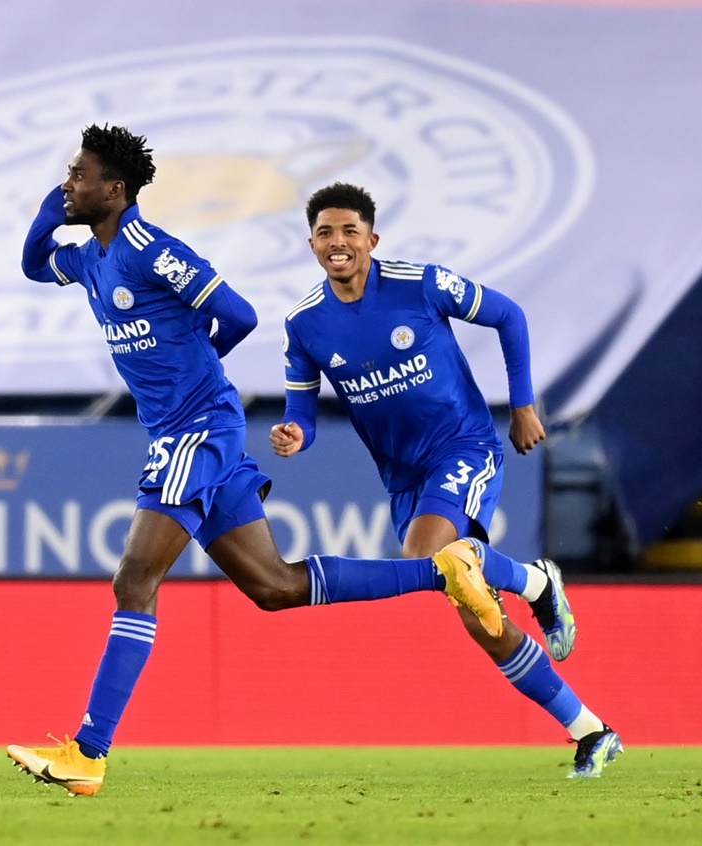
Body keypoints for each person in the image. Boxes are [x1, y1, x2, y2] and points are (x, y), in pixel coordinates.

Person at [8, 125, 507, 796]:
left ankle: (88, 752)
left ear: (115, 190)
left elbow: (237, 314)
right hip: (177, 433)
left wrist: (198, 368)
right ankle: (442, 570)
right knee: (274, 588)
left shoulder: (151, 251)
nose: (70, 181)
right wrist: (50, 211)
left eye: (79, 174)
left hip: (199, 430)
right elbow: (36, 265)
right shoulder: (93, 259)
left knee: (134, 579)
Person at [270, 182, 623, 778]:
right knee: (474, 613)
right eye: (326, 233)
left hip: (464, 445)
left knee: (428, 554)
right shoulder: (305, 325)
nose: (338, 242)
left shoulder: (420, 283)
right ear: (310, 244)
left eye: (350, 231)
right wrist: (293, 435)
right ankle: (590, 729)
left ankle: (535, 581)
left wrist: (524, 405)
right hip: (403, 478)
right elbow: (301, 413)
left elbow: (508, 314)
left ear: (372, 239)